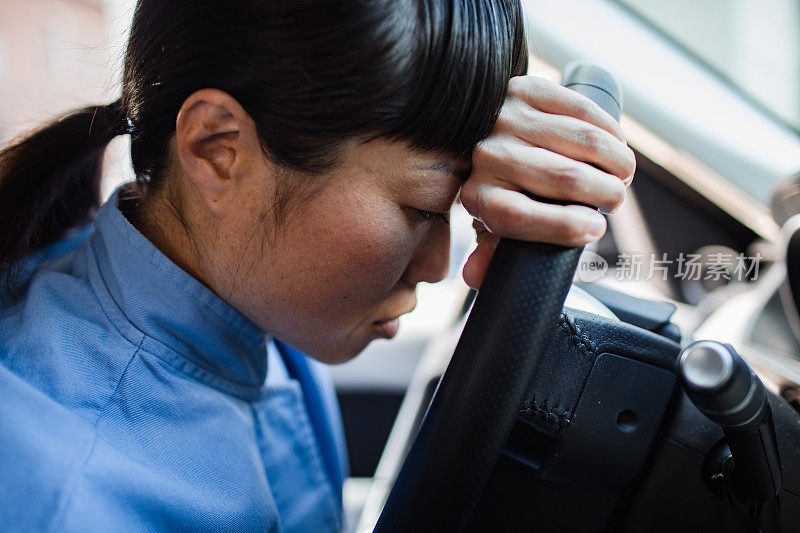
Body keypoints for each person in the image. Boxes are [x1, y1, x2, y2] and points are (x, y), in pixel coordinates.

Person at [0, 0, 634, 531]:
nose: (440, 267)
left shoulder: (249, 294)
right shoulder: (72, 501)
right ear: (219, 151)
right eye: (421, 208)